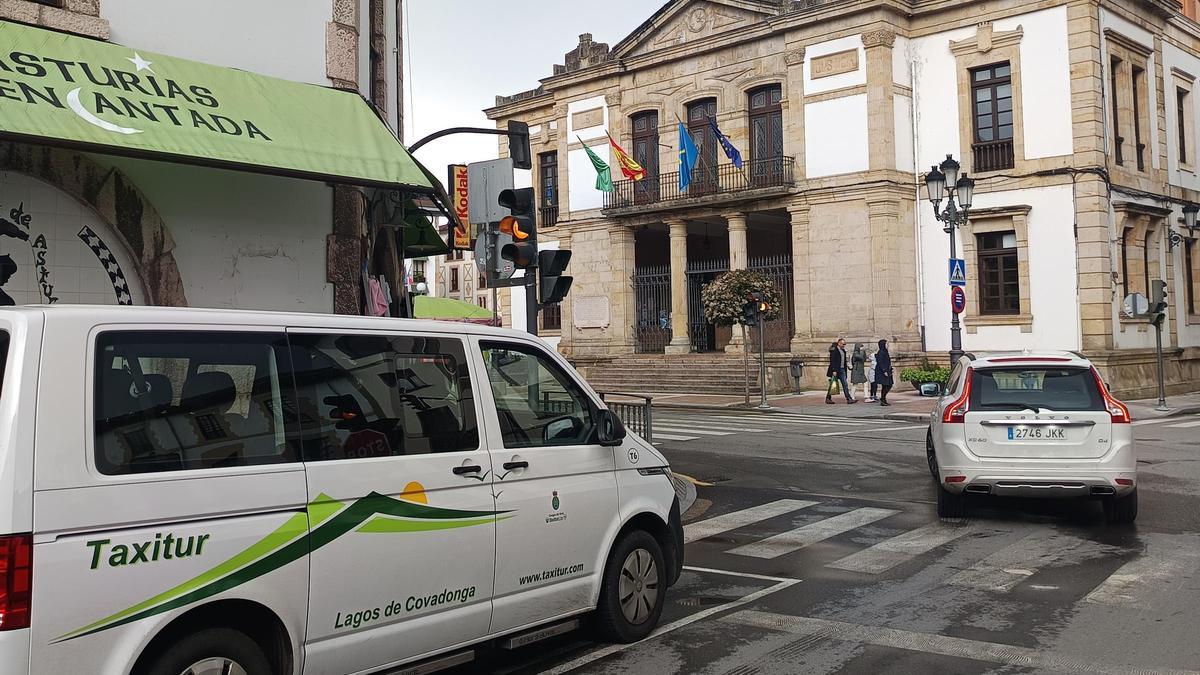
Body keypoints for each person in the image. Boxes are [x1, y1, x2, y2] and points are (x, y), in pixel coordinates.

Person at [826, 338, 856, 404]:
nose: (844, 345)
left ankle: (848, 398)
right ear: (839, 343)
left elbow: (844, 361)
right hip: (836, 370)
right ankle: (828, 398)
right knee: (833, 384)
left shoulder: (843, 351)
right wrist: (834, 370)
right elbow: (832, 361)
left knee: (845, 384)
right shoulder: (834, 350)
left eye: (845, 344)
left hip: (842, 370)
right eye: (843, 344)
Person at [876, 338, 894, 406]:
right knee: (887, 385)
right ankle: (883, 398)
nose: (888, 345)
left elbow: (887, 362)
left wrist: (890, 368)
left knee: (888, 385)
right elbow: (880, 362)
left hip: (887, 370)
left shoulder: (885, 351)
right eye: (887, 344)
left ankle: (883, 399)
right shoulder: (881, 352)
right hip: (883, 371)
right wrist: (884, 371)